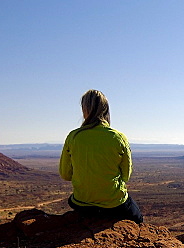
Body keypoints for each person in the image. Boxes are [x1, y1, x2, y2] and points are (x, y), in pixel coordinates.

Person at [59, 89, 144, 223]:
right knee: (138, 219)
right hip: (114, 203)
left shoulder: (73, 136)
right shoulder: (118, 137)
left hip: (82, 202)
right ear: (106, 109)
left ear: (84, 109)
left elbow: (65, 174)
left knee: (73, 201)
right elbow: (126, 175)